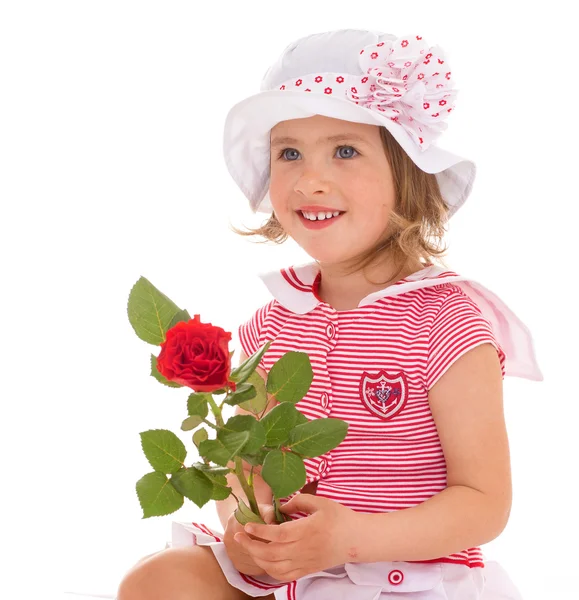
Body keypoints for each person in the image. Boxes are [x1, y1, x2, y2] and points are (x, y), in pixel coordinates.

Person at [117, 28, 543, 600]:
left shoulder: (447, 321)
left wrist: (352, 539)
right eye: (289, 153)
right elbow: (247, 463)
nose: (310, 179)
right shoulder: (273, 321)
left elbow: (484, 503)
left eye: (345, 150)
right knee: (158, 581)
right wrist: (244, 522)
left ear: (409, 173)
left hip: (400, 577)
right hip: (295, 574)